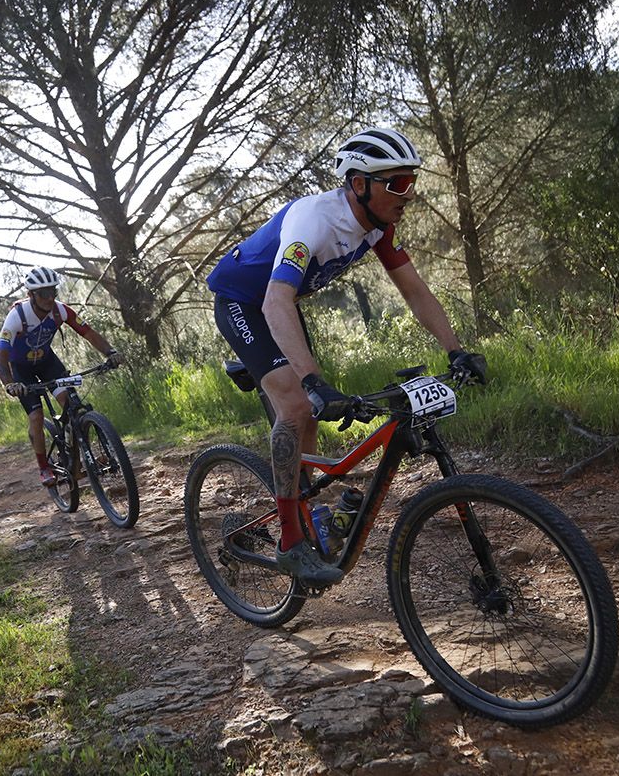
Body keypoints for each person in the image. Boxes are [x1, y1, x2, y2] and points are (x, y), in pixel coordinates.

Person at [205, 126, 487, 586]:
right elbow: (275, 301)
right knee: (297, 406)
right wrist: (313, 381)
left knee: (310, 415)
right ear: (360, 184)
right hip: (246, 303)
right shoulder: (314, 221)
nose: (408, 193)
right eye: (396, 183)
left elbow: (415, 291)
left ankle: (306, 510)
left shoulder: (378, 226)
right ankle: (292, 543)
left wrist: (456, 350)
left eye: (411, 181)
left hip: (281, 308)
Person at [0, 266, 124, 487]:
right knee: (35, 416)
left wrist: (110, 352)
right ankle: (44, 467)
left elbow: (88, 332)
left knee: (72, 404)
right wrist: (10, 384)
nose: (50, 298)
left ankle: (81, 454)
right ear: (31, 295)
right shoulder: (16, 317)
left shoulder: (60, 311)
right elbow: (1, 357)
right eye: (44, 293)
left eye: (53, 291)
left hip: (47, 363)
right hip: (21, 370)